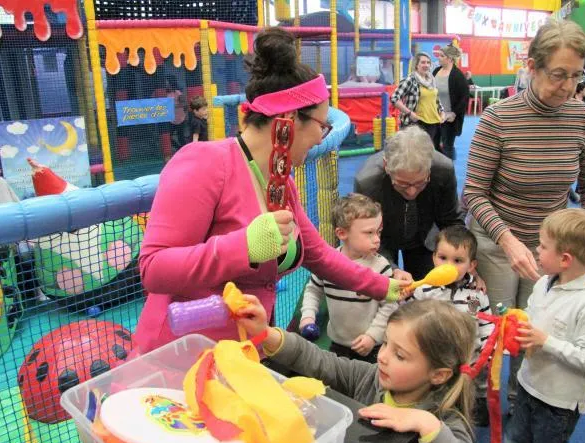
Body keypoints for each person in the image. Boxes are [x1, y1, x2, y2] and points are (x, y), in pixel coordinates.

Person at [133, 28, 407, 354]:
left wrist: (385, 286)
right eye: (321, 126)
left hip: (242, 353)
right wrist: (243, 247)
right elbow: (154, 268)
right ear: (289, 118)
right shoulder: (205, 163)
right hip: (181, 355)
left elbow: (319, 256)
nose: (320, 138)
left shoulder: (282, 183)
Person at [464, 19, 585, 415]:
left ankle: (521, 395)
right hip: (497, 242)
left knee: (536, 328)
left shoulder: (582, 117)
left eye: (576, 76)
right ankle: (482, 395)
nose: (568, 86)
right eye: (559, 74)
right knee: (493, 324)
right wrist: (507, 240)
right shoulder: (498, 118)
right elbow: (473, 192)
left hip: (551, 249)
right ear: (532, 67)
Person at [237, 297, 480, 443]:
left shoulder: (447, 419)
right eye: (385, 343)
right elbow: (320, 361)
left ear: (438, 375)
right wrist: (266, 334)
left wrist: (427, 424)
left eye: (400, 355)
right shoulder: (369, 378)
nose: (382, 357)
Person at [504, 208, 585, 443]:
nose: (536, 250)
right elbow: (532, 315)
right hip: (527, 385)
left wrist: (546, 342)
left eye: (542, 246)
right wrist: (517, 327)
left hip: (558, 405)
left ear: (565, 259)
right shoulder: (543, 283)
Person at [407, 226, 493, 427]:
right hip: (435, 360)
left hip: (469, 363)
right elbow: (409, 317)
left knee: (466, 402)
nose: (448, 265)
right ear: (433, 258)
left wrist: (488, 351)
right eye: (442, 258)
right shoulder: (424, 290)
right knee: (435, 398)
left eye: (458, 261)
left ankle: (475, 406)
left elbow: (487, 323)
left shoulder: (477, 294)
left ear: (471, 265)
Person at [355, 125, 465, 281]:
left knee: (428, 285)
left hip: (424, 236)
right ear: (386, 167)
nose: (412, 192)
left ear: (430, 168)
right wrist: (392, 269)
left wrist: (462, 260)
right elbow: (365, 235)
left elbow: (451, 221)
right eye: (403, 184)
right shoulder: (367, 182)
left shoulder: (443, 170)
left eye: (420, 183)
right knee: (387, 284)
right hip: (381, 239)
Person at [299, 194, 396, 363]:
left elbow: (390, 305)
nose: (377, 239)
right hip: (337, 343)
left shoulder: (380, 267)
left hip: (371, 347)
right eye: (369, 233)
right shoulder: (328, 264)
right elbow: (313, 290)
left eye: (378, 232)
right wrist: (308, 316)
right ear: (342, 233)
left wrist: (372, 336)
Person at [390, 52, 444, 142]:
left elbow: (436, 99)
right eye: (423, 62)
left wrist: (442, 111)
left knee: (429, 149)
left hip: (434, 123)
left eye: (428, 62)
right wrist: (410, 113)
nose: (426, 65)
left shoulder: (432, 80)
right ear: (416, 65)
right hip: (416, 123)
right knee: (414, 149)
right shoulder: (410, 79)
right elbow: (394, 98)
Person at [432, 43, 470, 160]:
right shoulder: (436, 71)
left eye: (442, 56)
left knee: (447, 147)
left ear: (449, 59)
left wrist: (453, 113)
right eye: (439, 55)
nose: (439, 58)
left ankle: (448, 168)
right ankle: (437, 168)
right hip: (434, 116)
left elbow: (464, 98)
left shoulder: (458, 76)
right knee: (434, 145)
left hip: (449, 118)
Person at [165, 75, 187, 151]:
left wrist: (173, 106)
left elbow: (184, 104)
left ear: (171, 83)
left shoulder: (177, 93)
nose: (165, 84)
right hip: (171, 119)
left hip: (180, 118)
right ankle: (179, 148)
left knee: (181, 137)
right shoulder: (165, 93)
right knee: (168, 137)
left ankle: (185, 150)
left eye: (167, 82)